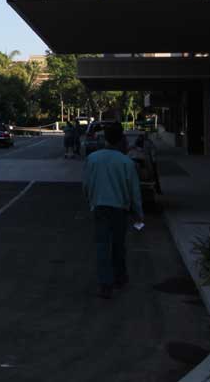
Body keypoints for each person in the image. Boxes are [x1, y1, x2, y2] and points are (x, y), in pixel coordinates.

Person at [81, 121, 144, 299]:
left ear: (105, 138)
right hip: (119, 209)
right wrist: (138, 213)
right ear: (121, 139)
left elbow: (86, 184)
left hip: (100, 207)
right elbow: (134, 191)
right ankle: (119, 277)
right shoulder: (126, 162)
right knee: (118, 245)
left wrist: (90, 201)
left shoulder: (93, 159)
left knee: (102, 245)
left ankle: (105, 283)